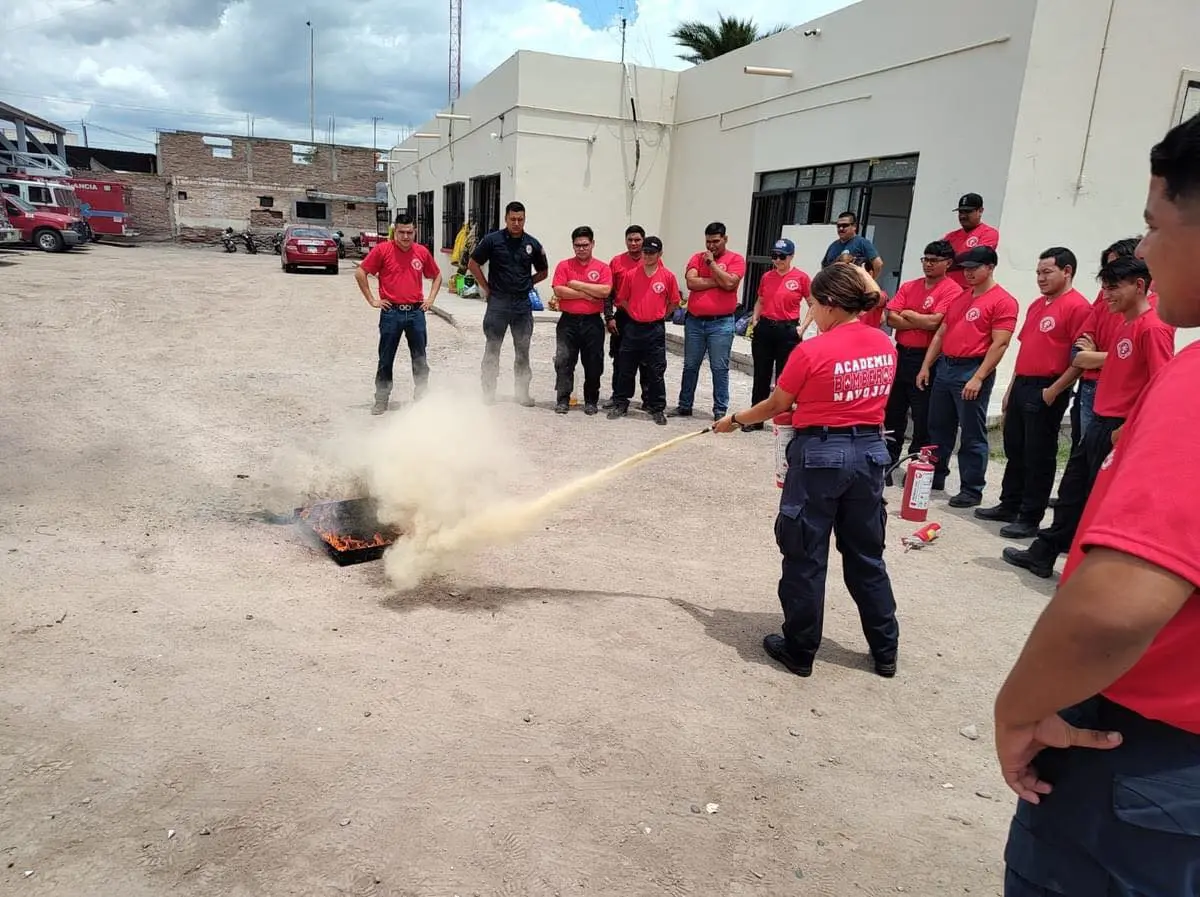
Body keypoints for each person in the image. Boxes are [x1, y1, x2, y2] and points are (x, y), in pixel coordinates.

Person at [995, 112, 1200, 897]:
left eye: (1154, 225)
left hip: (1143, 764)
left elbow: (1115, 607)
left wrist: (1018, 709)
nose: (1144, 252)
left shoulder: (1191, 381)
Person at [713, 264, 900, 678]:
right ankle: (886, 650)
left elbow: (777, 404)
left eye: (814, 304)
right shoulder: (884, 343)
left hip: (821, 458)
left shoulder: (812, 351)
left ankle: (800, 650)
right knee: (867, 556)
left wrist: (736, 419)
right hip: (870, 454)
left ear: (832, 304)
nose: (811, 312)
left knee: (805, 557)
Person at [1002, 255, 1174, 578]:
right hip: (1097, 422)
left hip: (1117, 428)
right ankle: (1044, 553)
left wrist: (1124, 430)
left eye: (1112, 289)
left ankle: (1094, 575)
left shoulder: (1152, 329)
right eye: (1104, 289)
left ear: (1139, 286)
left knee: (1102, 504)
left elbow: (1161, 385)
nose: (1106, 296)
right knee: (1071, 493)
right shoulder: (1125, 324)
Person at [976, 248, 1091, 538]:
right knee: (1015, 448)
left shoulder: (1078, 307)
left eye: (1047, 272)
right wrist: (1010, 390)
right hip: (1023, 384)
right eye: (1038, 272)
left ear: (1067, 271)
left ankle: (1030, 516)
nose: (1040, 278)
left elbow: (1080, 358)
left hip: (1047, 387)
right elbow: (1025, 349)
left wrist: (1053, 391)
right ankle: (1009, 503)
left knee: (1038, 455)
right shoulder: (1038, 305)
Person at [918, 245, 1019, 507]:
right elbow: (942, 332)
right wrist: (926, 365)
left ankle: (972, 488)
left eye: (975, 268)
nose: (969, 273)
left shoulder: (1002, 301)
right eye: (966, 269)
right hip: (946, 367)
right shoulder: (962, 298)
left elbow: (1000, 343)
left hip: (972, 368)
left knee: (972, 432)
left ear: (991, 267)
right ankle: (935, 475)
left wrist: (979, 377)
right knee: (938, 426)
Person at [1044, 238, 1144, 452]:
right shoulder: (1104, 300)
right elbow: (1078, 354)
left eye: (1117, 268)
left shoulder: (1151, 312)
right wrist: (1112, 357)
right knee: (1082, 454)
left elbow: (1138, 361)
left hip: (1121, 393)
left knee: (1105, 457)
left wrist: (1098, 356)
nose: (1109, 278)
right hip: (1090, 388)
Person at [883, 240, 961, 476]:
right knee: (893, 411)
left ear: (947, 263)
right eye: (925, 259)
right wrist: (919, 319)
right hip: (901, 352)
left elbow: (935, 322)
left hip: (927, 358)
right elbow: (891, 318)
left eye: (934, 261)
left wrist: (908, 315)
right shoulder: (910, 286)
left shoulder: (952, 290)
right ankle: (888, 459)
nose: (928, 264)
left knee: (922, 415)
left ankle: (918, 465)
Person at [354, 213, 442, 415]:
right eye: (401, 232)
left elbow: (436, 275)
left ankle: (422, 397)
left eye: (409, 232)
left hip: (415, 313)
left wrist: (430, 300)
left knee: (420, 357)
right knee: (386, 358)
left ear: (415, 232)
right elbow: (360, 272)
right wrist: (372, 300)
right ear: (395, 232)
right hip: (391, 313)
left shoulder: (421, 252)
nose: (405, 237)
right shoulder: (382, 250)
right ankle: (381, 399)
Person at [467, 201, 549, 405]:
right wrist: (486, 288)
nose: (516, 223)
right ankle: (488, 392)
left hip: (521, 306)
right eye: (512, 219)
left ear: (524, 219)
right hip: (498, 305)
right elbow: (473, 263)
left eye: (520, 219)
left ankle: (522, 393)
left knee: (523, 350)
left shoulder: (532, 244)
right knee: (492, 349)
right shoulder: (492, 240)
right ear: (506, 218)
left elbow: (544, 271)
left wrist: (527, 283)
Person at [672, 222, 745, 421]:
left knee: (719, 367)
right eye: (708, 241)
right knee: (690, 366)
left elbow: (731, 283)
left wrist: (712, 265)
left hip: (721, 324)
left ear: (725, 239)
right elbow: (691, 282)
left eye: (715, 241)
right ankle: (684, 405)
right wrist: (719, 282)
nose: (711, 246)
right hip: (695, 322)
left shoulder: (735, 259)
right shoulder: (696, 257)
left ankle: (720, 410)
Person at [607, 236, 680, 425]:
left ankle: (657, 407)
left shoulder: (667, 276)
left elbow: (674, 302)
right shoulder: (631, 275)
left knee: (656, 370)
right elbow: (621, 298)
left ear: (660, 254)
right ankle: (621, 403)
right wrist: (632, 312)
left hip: (655, 329)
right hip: (633, 328)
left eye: (652, 253)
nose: (647, 256)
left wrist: (661, 314)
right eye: (645, 252)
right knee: (626, 367)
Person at [746, 237, 810, 431]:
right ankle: (755, 418)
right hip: (766, 327)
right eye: (774, 256)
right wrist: (755, 319)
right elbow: (761, 300)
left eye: (782, 256)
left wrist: (802, 327)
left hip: (787, 329)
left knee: (785, 378)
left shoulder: (801, 278)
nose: (778, 260)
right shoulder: (767, 277)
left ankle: (782, 421)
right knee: (761, 375)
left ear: (791, 257)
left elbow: (813, 303)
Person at [549, 226, 612, 415]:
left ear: (592, 244)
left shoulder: (602, 267)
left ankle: (591, 400)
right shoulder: (564, 266)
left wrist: (576, 285)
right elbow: (559, 290)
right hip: (568, 322)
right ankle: (562, 399)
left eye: (585, 245)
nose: (581, 249)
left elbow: (604, 291)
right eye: (577, 245)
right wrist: (586, 294)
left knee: (593, 362)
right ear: (573, 246)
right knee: (564, 360)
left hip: (593, 323)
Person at [603, 225, 647, 410]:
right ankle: (618, 396)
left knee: (646, 361)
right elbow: (608, 292)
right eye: (630, 239)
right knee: (620, 358)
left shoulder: (651, 260)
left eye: (637, 240)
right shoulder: (617, 262)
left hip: (645, 318)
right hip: (622, 316)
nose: (633, 243)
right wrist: (609, 316)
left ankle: (649, 399)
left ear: (643, 240)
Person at [944, 193, 1000, 289]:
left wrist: (947, 263)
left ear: (980, 211)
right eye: (961, 212)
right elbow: (936, 259)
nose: (963, 216)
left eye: (968, 212)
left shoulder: (988, 233)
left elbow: (976, 259)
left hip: (971, 290)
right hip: (948, 290)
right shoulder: (951, 236)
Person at [821, 211, 883, 279]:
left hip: (853, 287)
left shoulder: (862, 243)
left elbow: (878, 264)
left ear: (854, 226)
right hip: (834, 287)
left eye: (845, 225)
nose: (841, 228)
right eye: (838, 226)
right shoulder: (833, 246)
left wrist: (870, 283)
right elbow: (824, 268)